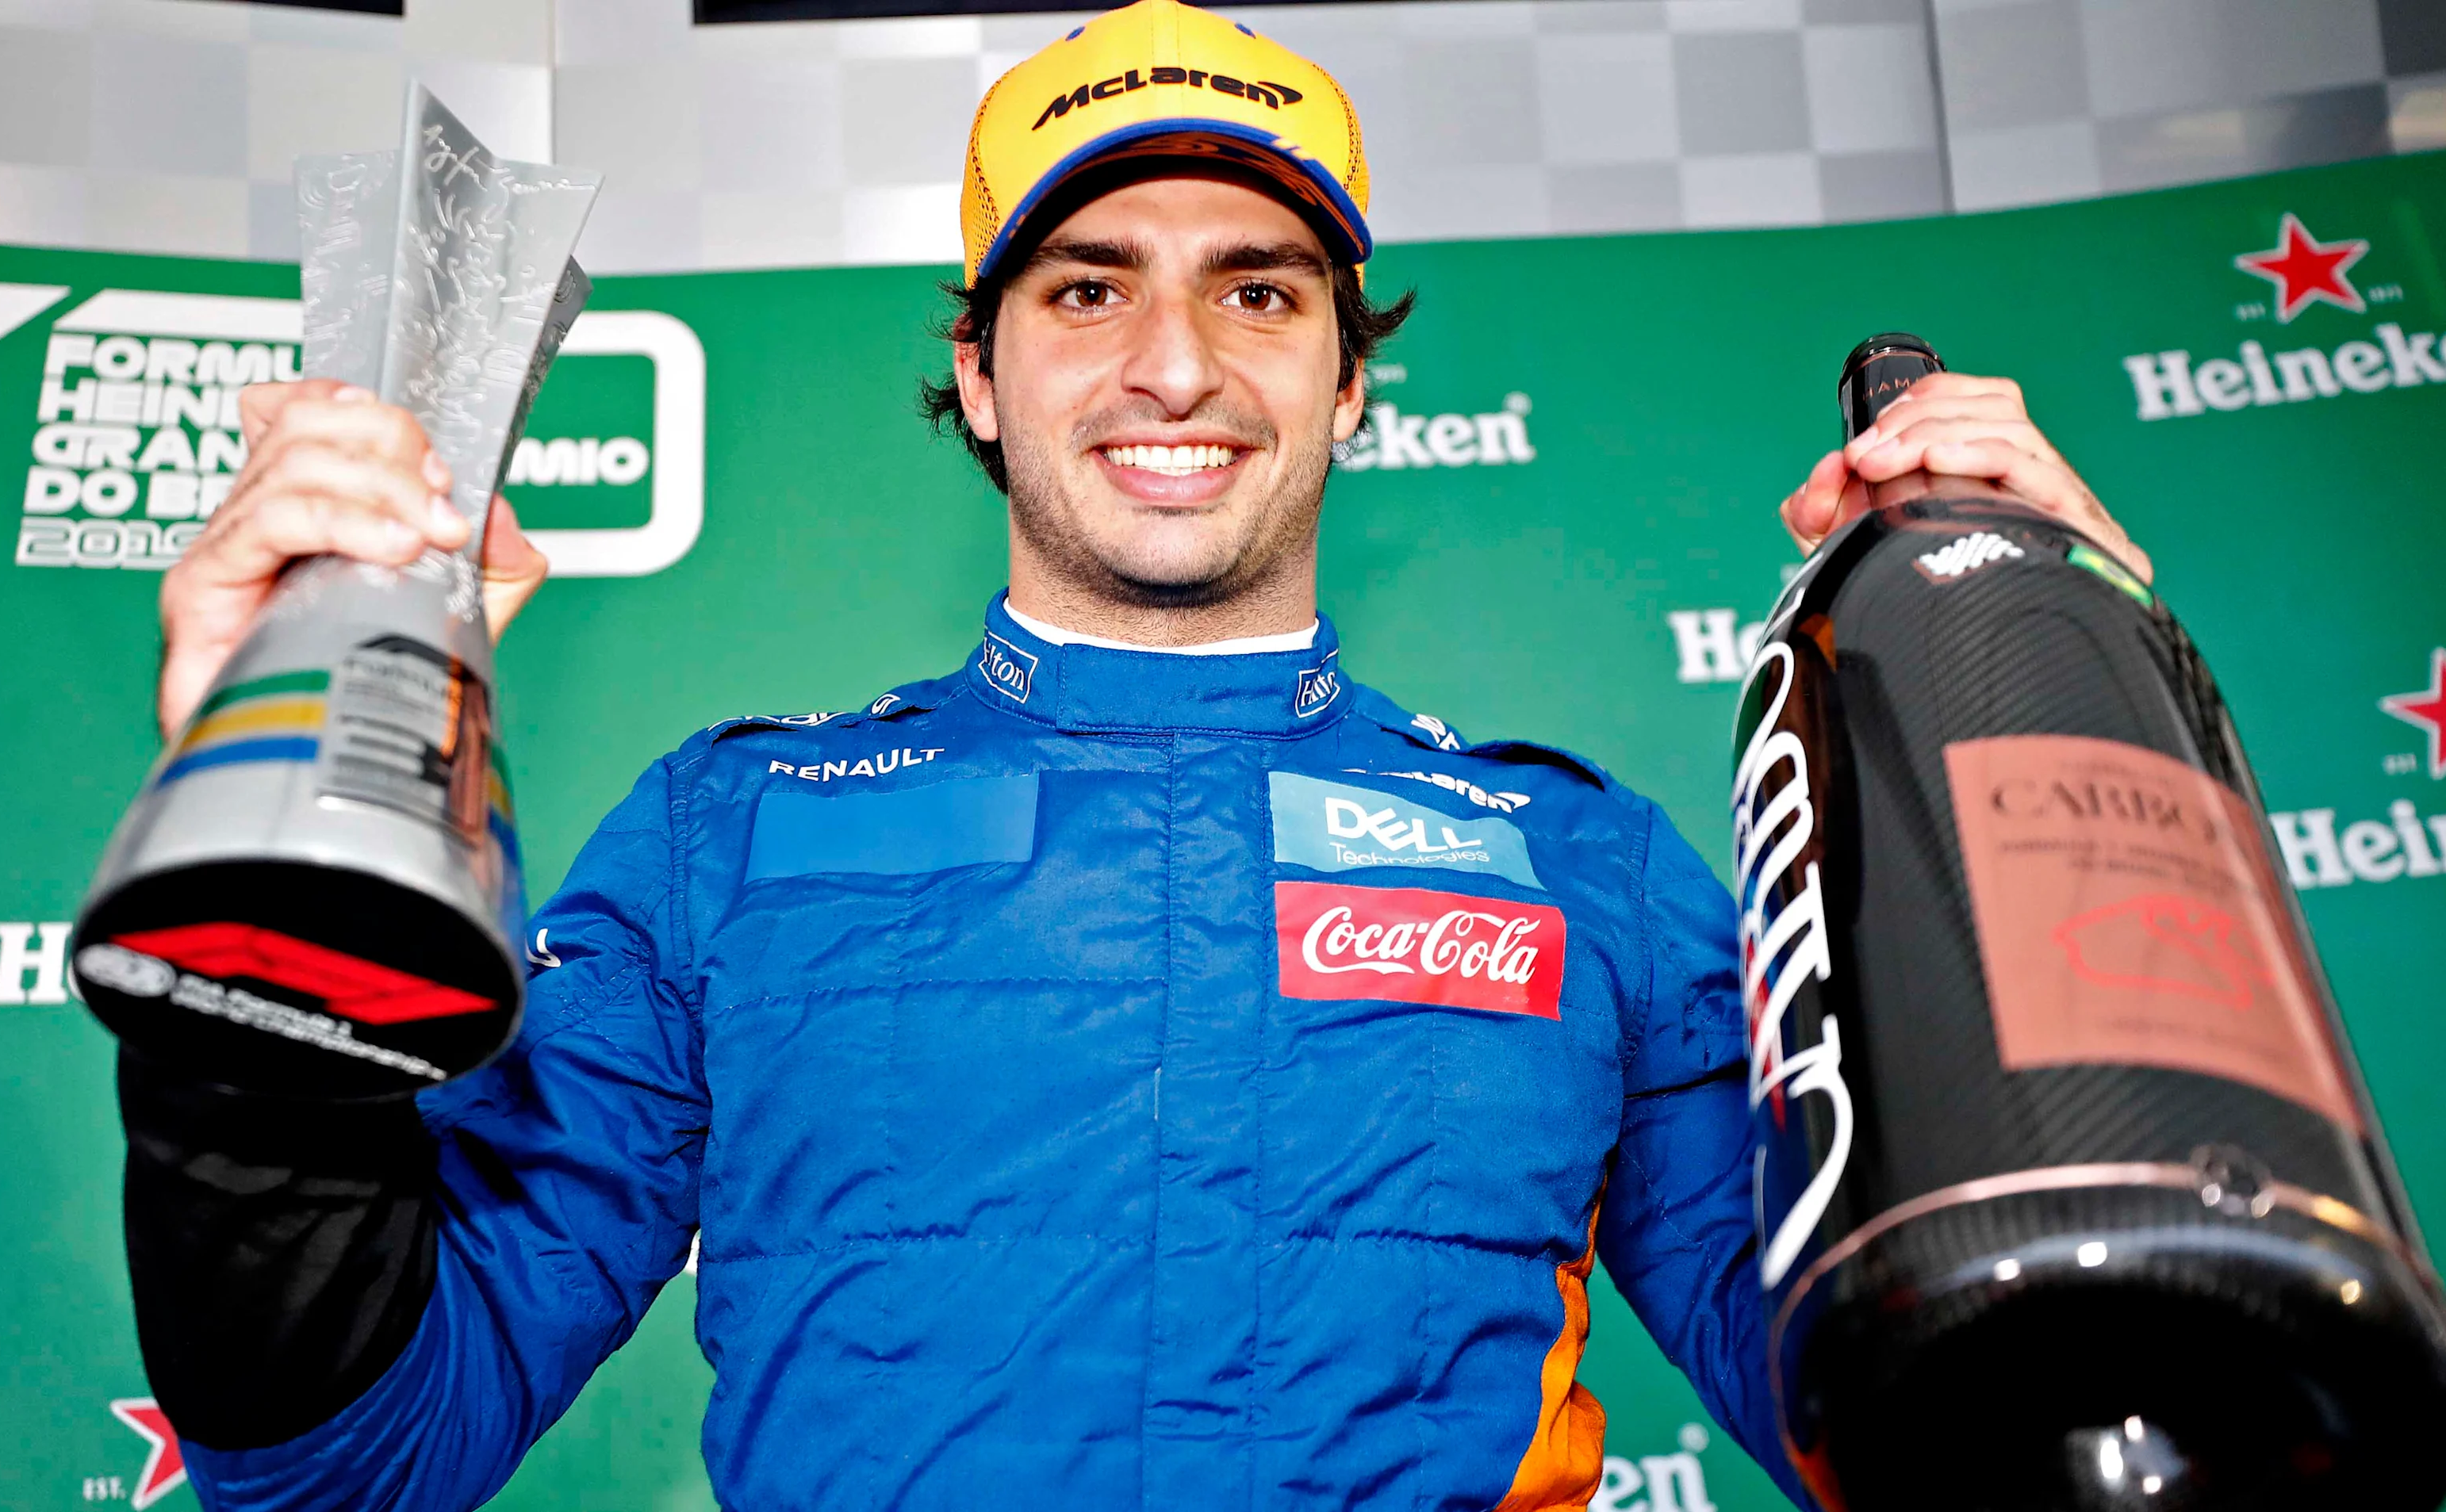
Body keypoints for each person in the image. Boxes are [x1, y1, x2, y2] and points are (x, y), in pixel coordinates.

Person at [121, 2, 2150, 1507]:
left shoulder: (1582, 866)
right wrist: (266, 886)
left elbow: (1928, 1442)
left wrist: (2063, 736)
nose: (1172, 366)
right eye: (1085, 291)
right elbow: (354, 1463)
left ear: (1354, 383)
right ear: (977, 378)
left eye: (1255, 292)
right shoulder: (725, 836)